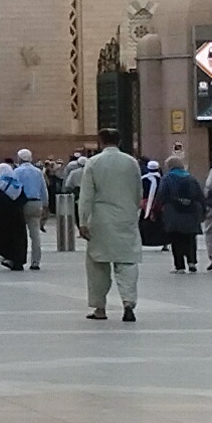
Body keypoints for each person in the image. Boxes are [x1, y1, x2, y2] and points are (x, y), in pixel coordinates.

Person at [70, 132, 147, 322]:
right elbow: (139, 192)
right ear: (119, 141)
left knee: (97, 265)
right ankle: (128, 303)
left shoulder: (94, 162)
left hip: (101, 220)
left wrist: (82, 221)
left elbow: (86, 195)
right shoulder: (131, 162)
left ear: (101, 142)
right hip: (126, 217)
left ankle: (100, 308)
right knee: (127, 262)